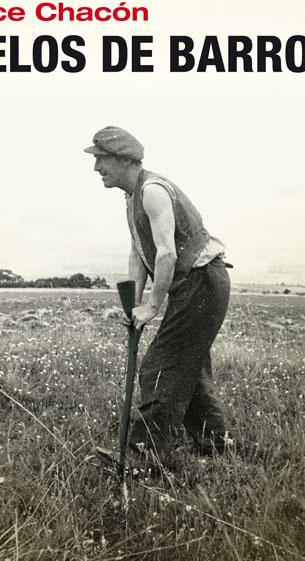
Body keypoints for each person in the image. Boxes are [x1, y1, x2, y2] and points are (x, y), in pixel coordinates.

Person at [84, 126, 231, 468]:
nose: (96, 168)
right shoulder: (131, 197)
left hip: (202, 281)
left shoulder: (152, 192)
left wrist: (152, 305)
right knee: (188, 368)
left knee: (160, 367)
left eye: (101, 159)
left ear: (124, 159)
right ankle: (216, 445)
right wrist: (134, 302)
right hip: (194, 284)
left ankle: (143, 455)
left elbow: (166, 255)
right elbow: (139, 253)